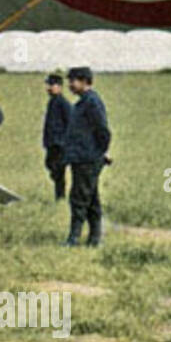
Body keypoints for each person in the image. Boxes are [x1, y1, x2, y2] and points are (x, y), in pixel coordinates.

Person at [62, 66, 111, 247]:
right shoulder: (84, 102)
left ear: (84, 81)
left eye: (73, 81)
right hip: (81, 158)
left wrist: (98, 153)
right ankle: (95, 239)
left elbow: (103, 131)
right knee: (91, 199)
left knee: (79, 198)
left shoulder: (92, 102)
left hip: (87, 159)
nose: (70, 85)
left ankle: (73, 239)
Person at [41, 73, 71, 201]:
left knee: (59, 172)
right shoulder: (52, 102)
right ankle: (60, 195)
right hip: (51, 144)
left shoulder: (63, 103)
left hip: (60, 144)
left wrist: (65, 141)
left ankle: (60, 197)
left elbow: (71, 122)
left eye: (52, 85)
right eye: (48, 85)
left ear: (59, 87)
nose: (49, 88)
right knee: (50, 165)